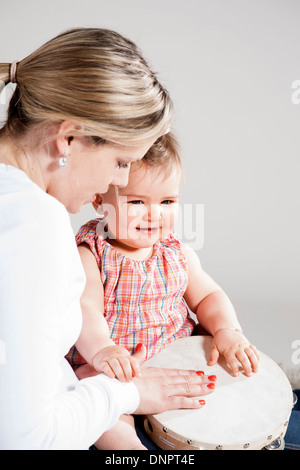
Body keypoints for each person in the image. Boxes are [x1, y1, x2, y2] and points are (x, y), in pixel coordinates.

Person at [0, 28, 215, 451]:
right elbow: (25, 437)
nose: (115, 184)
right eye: (121, 162)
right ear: (69, 138)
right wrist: (129, 394)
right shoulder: (32, 224)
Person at [66, 132, 260, 450]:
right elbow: (85, 308)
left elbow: (208, 296)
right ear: (100, 199)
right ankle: (128, 445)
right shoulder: (93, 252)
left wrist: (226, 328)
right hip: (120, 367)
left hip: (173, 356)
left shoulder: (176, 252)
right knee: (95, 391)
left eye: (167, 202)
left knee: (216, 382)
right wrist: (104, 351)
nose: (154, 213)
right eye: (137, 201)